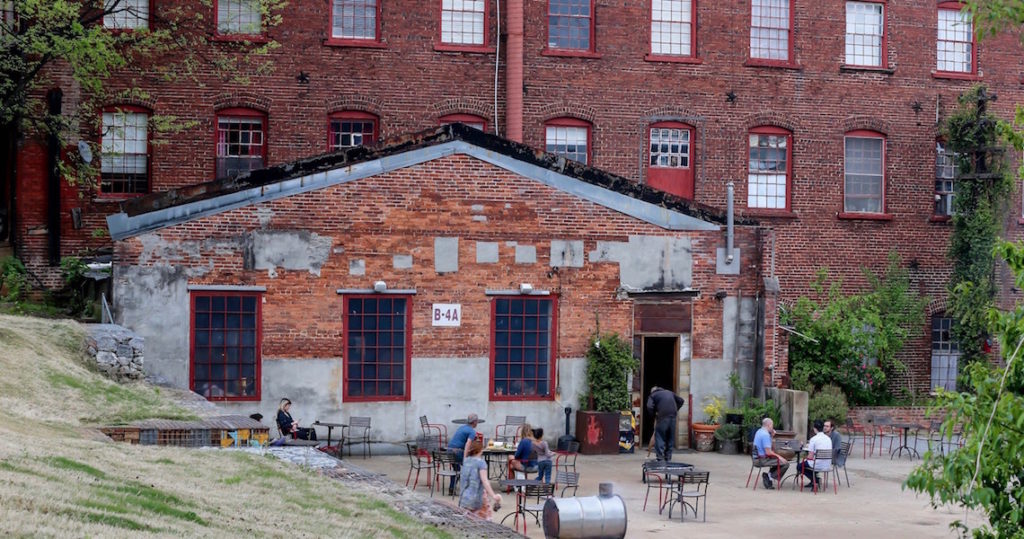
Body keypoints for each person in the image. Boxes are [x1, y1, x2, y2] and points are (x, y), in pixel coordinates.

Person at [459, 440, 502, 519]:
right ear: (480, 450)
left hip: (464, 496)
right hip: (477, 497)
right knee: (483, 521)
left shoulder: (466, 461)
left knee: (468, 519)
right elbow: (484, 480)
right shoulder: (481, 463)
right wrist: (493, 495)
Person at [646, 386, 685, 461]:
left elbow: (649, 406)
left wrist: (654, 414)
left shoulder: (653, 395)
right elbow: (681, 400)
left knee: (659, 436)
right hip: (673, 416)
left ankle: (660, 458)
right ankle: (668, 458)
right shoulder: (670, 392)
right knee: (670, 437)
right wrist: (675, 409)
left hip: (662, 417)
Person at [447, 413, 480, 495]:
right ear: (475, 422)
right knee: (473, 465)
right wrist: (465, 458)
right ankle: (472, 488)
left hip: (449, 451)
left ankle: (452, 488)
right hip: (458, 452)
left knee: (456, 469)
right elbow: (468, 444)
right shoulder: (472, 431)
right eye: (477, 421)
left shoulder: (461, 427)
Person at [753, 417, 790, 490]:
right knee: (785, 463)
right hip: (761, 460)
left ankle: (769, 476)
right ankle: (769, 477)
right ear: (769, 425)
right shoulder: (765, 435)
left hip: (756, 458)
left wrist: (772, 436)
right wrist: (780, 457)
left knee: (779, 461)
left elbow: (769, 447)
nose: (773, 427)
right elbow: (769, 452)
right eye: (772, 425)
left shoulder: (759, 431)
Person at [799, 419, 833, 490]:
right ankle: (814, 480)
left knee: (799, 466)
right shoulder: (828, 439)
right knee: (807, 464)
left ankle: (816, 480)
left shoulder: (813, 439)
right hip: (827, 464)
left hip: (816, 464)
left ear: (815, 429)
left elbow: (810, 456)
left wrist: (805, 458)